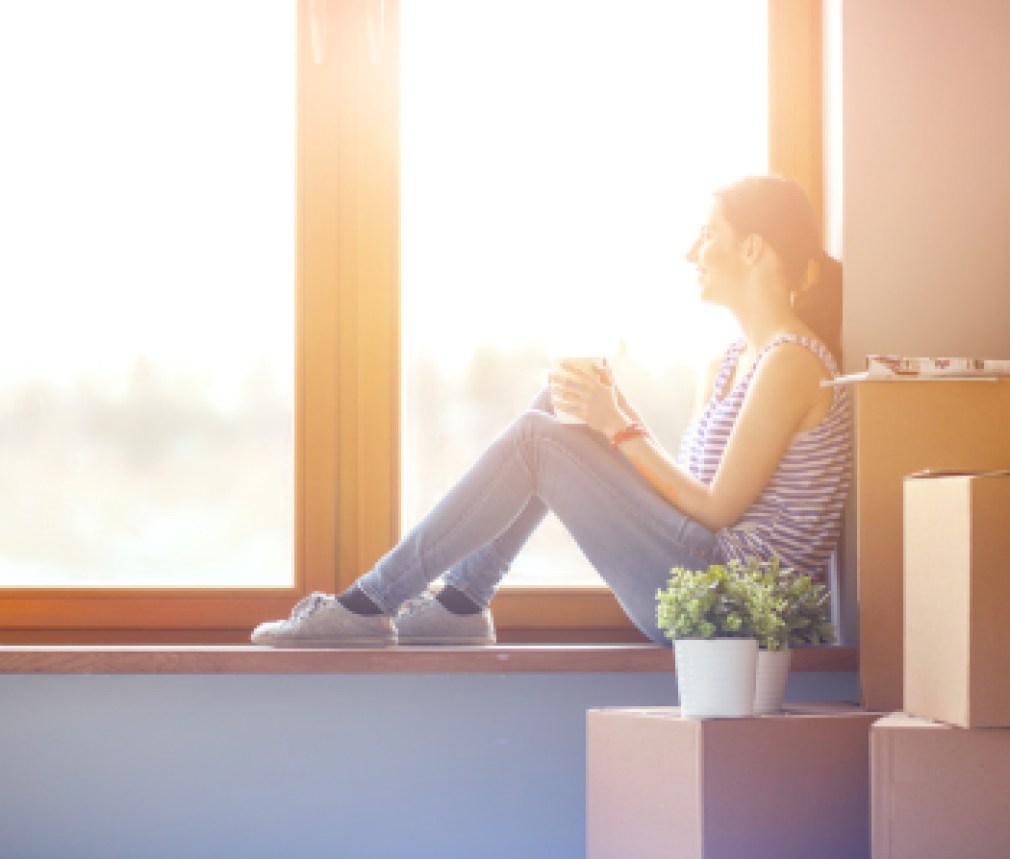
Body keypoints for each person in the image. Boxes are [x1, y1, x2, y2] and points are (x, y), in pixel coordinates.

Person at [251, 174, 851, 648]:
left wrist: (619, 426)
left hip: (733, 603)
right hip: (701, 568)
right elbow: (692, 500)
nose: (691, 250)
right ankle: (462, 602)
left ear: (753, 248)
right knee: (557, 408)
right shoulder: (726, 362)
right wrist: (606, 417)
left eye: (707, 233)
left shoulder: (794, 362)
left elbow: (721, 509)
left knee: (541, 438)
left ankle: (368, 603)